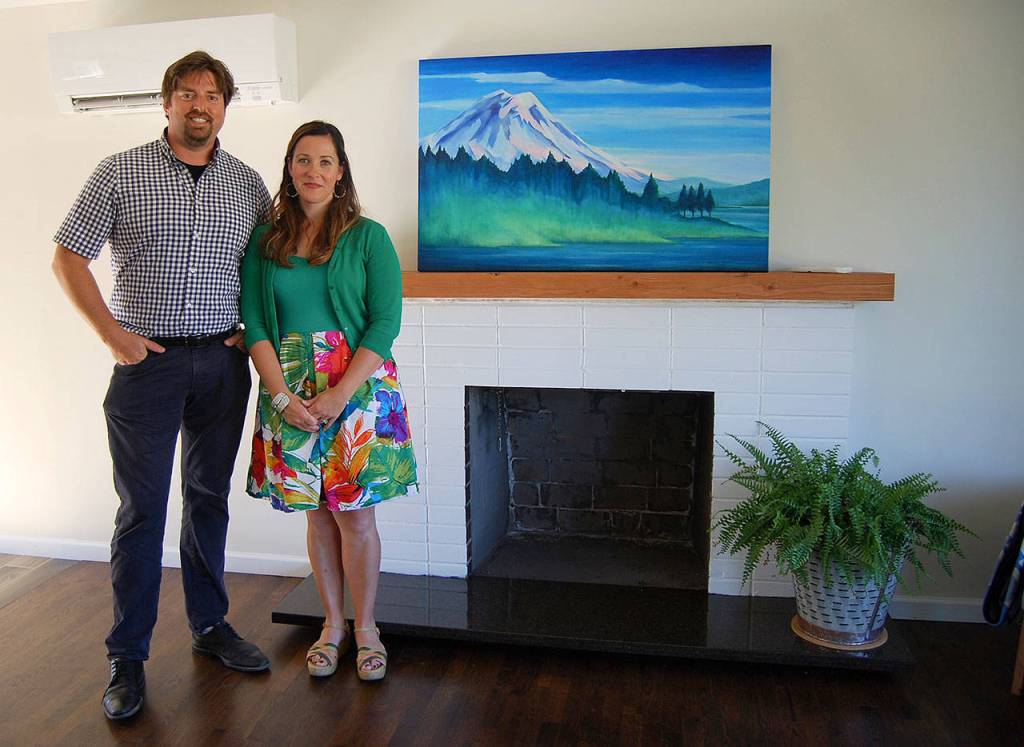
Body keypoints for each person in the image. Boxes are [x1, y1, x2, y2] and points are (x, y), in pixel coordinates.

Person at [51, 51, 272, 721]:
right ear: (168, 103)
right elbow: (68, 256)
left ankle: (210, 627)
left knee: (208, 498)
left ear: (226, 107)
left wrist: (252, 327)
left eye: (212, 93)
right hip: (146, 366)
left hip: (223, 367)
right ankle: (128, 656)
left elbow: (269, 266)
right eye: (187, 92)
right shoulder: (119, 171)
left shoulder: (248, 184)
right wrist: (114, 336)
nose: (199, 103)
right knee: (141, 511)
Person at [241, 120, 417, 682]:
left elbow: (385, 323)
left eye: (324, 161)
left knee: (355, 516)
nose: (312, 171)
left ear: (341, 172)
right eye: (302, 160)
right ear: (289, 171)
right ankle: (331, 626)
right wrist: (279, 393)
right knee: (318, 517)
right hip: (287, 387)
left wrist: (341, 393)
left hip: (358, 387)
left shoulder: (368, 237)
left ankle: (367, 630)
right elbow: (256, 325)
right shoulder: (264, 242)